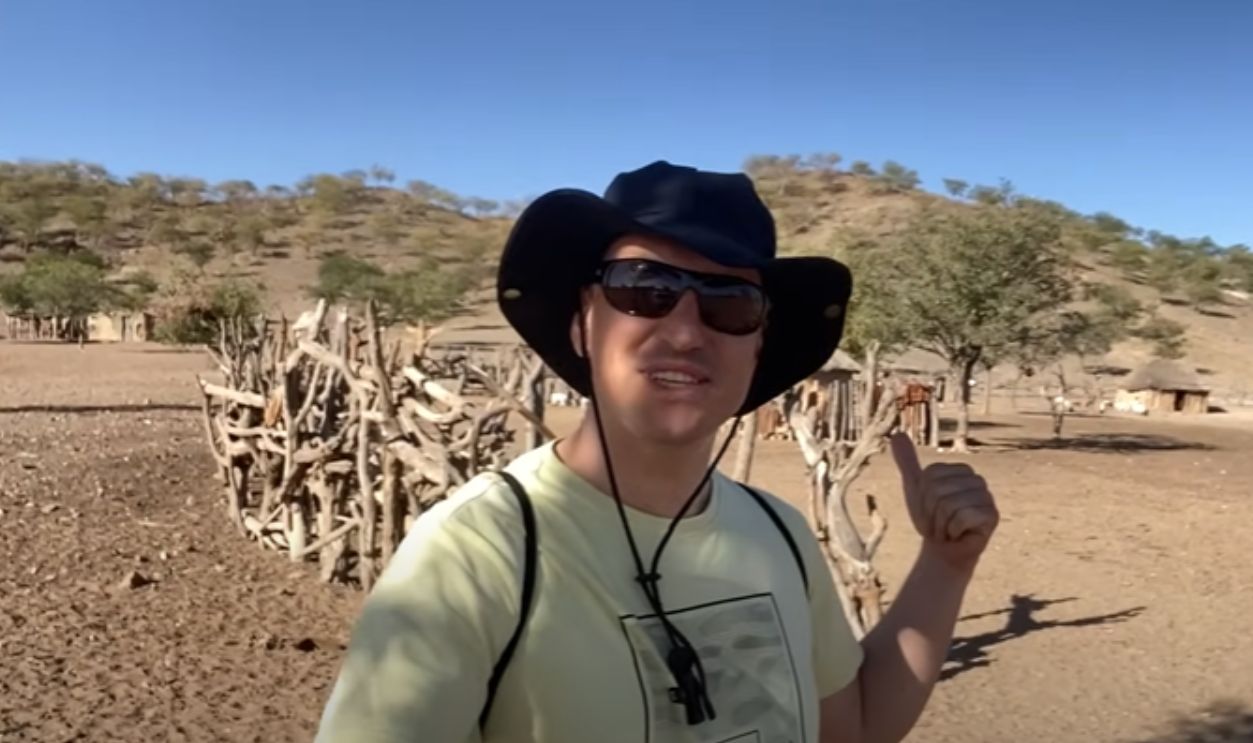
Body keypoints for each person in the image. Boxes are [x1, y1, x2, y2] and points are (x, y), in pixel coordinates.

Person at [313, 161, 999, 743]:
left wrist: (945, 563)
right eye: (645, 290)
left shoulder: (778, 536)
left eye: (729, 305)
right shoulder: (479, 552)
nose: (684, 332)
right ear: (584, 321)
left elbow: (851, 724)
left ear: (756, 343)